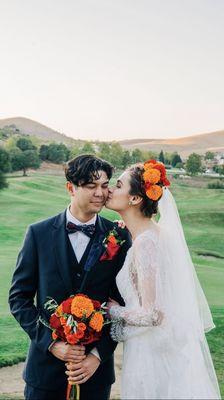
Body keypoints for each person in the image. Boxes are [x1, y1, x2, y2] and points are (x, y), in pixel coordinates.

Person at [8, 154, 131, 400]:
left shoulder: (119, 235)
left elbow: (124, 305)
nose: (100, 193)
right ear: (70, 188)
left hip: (95, 374)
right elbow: (18, 298)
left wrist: (96, 356)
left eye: (105, 186)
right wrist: (52, 345)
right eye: (91, 186)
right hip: (44, 373)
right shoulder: (38, 233)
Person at [104, 160, 220, 400]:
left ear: (135, 199)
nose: (110, 191)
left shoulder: (146, 243)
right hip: (158, 346)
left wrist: (112, 311)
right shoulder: (151, 235)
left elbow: (153, 314)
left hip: (150, 353)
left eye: (117, 185)